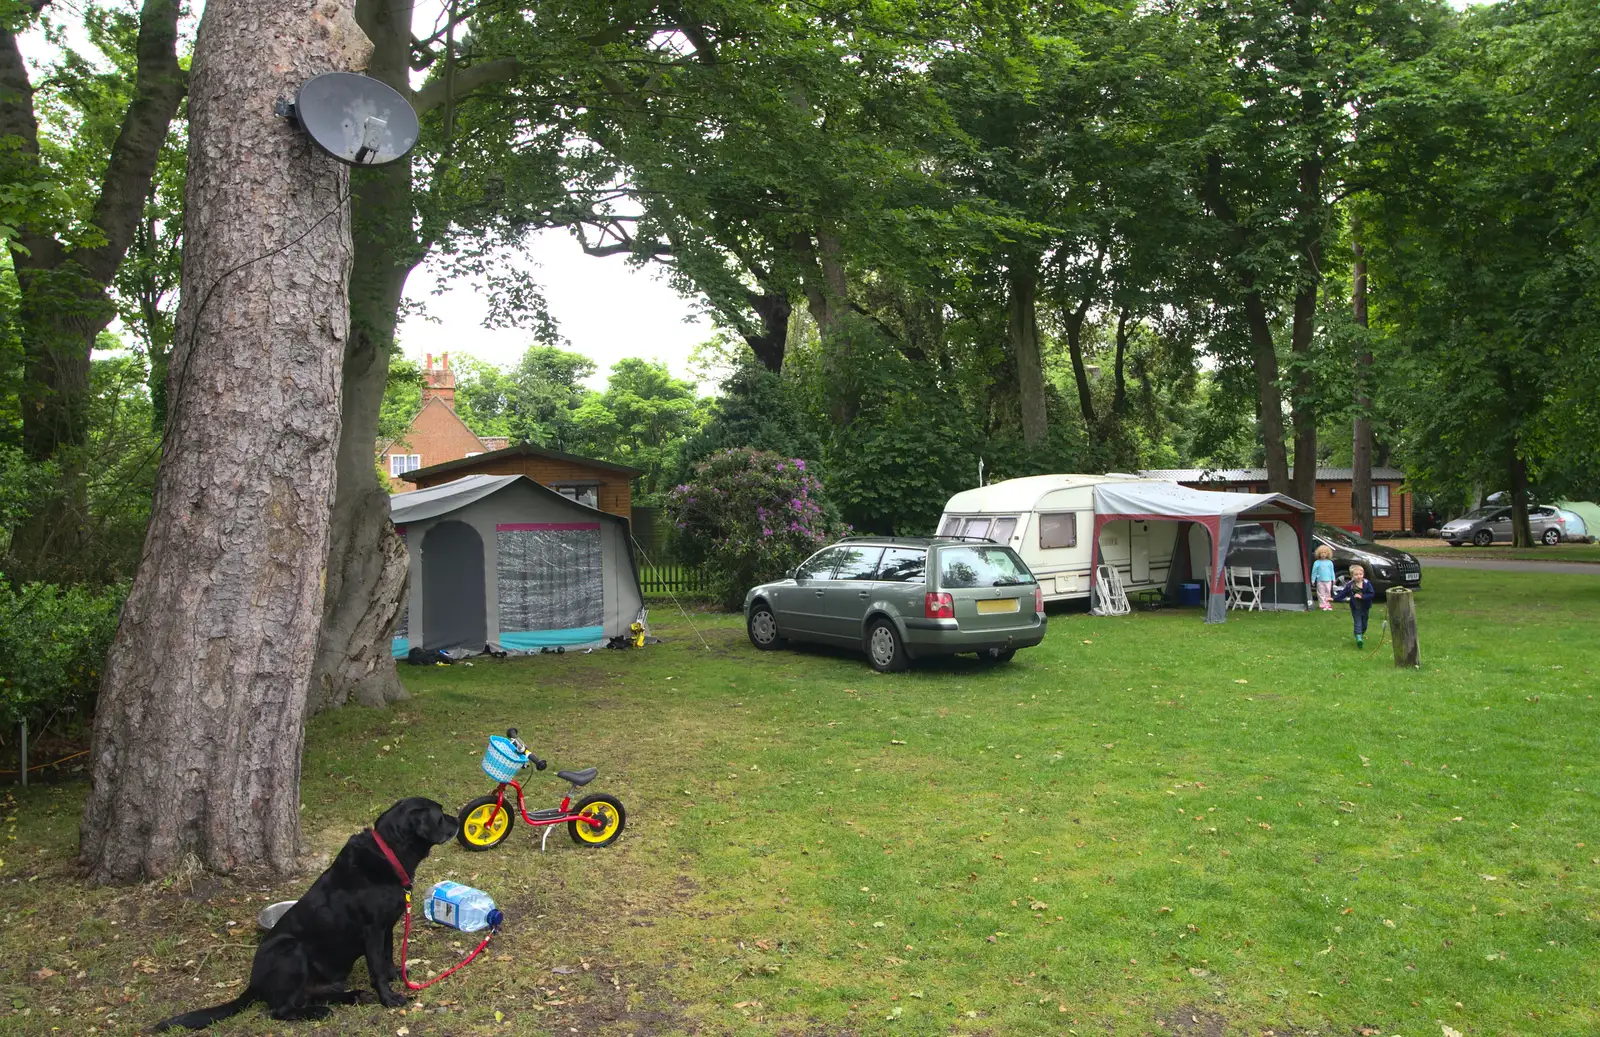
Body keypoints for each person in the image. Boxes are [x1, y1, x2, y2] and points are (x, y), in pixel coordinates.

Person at [1332, 563, 1377, 646]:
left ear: (1363, 574)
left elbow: (1371, 594)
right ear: (1352, 575)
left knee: (1364, 624)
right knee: (1358, 622)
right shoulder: (1350, 585)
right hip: (1355, 607)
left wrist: (1362, 596)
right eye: (1356, 575)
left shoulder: (1367, 584)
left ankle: (1360, 633)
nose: (1359, 576)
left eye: (1361, 574)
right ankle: (1359, 637)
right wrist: (1334, 598)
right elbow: (1343, 594)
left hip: (1365, 607)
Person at [1311, 545, 1336, 611]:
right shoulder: (1317, 562)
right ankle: (1322, 604)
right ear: (1319, 554)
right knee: (1321, 592)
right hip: (1320, 580)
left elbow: (1332, 571)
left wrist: (1333, 578)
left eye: (1325, 553)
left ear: (1327, 554)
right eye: (1321, 553)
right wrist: (1313, 579)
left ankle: (1327, 604)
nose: (1323, 555)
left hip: (1328, 580)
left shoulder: (1330, 562)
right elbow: (1314, 572)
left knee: (1328, 592)